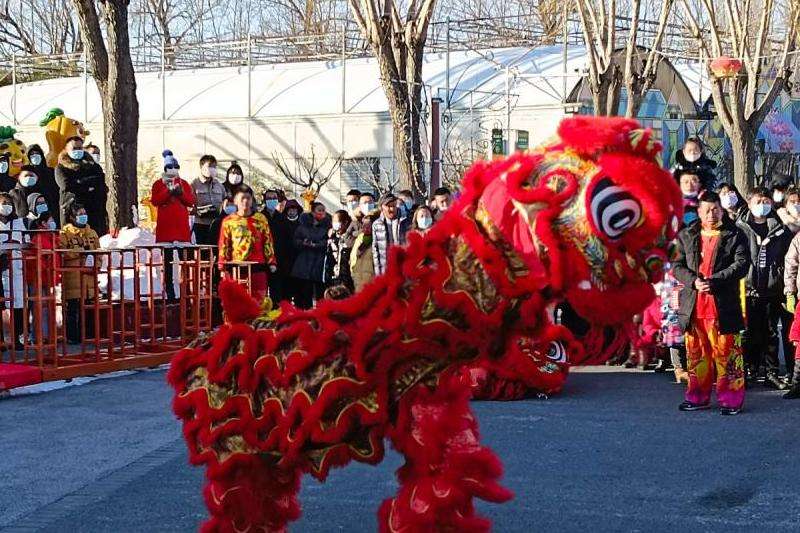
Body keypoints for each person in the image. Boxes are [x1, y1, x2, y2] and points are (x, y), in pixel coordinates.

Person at [672, 191, 748, 415]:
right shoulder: (687, 235)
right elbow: (677, 265)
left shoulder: (735, 234)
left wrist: (714, 281)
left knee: (728, 356)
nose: (711, 214)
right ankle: (697, 397)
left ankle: (731, 400)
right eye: (706, 210)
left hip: (723, 307)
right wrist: (693, 281)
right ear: (698, 212)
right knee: (696, 356)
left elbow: (741, 264)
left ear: (721, 210)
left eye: (715, 209)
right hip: (694, 307)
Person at [737, 187, 793, 389]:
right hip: (748, 289)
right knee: (748, 333)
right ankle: (747, 370)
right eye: (758, 202)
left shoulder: (780, 229)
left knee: (771, 332)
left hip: (771, 288)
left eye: (766, 201)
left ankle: (771, 372)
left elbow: (787, 258)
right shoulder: (740, 228)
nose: (763, 205)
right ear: (749, 203)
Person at [150, 150, 196, 301]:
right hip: (166, 229)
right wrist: (168, 191)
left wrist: (180, 192)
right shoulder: (158, 184)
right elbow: (155, 200)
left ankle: (186, 291)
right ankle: (169, 291)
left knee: (185, 262)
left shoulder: (184, 183)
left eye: (176, 166)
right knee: (167, 263)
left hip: (181, 230)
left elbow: (190, 201)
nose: (173, 169)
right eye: (170, 167)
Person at [218, 186, 277, 302]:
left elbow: (268, 241)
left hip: (258, 267)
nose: (245, 201)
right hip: (237, 267)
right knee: (238, 302)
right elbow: (224, 244)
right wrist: (222, 266)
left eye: (248, 198)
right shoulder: (228, 221)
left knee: (259, 302)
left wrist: (271, 261)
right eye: (242, 198)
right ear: (235, 201)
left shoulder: (261, 219)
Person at [59, 203, 100, 344]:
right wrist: (80, 252)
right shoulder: (65, 233)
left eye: (84, 213)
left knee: (89, 308)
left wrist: (96, 264)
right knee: (73, 308)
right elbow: (63, 253)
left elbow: (99, 252)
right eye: (79, 214)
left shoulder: (92, 233)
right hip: (73, 277)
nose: (83, 216)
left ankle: (88, 335)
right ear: (72, 217)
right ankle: (72, 337)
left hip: (89, 276)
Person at [55, 135, 108, 236]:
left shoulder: (92, 165)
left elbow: (100, 180)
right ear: (66, 149)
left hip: (93, 208)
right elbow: (66, 185)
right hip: (72, 208)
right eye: (74, 148)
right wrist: (89, 185)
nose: (77, 151)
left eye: (79, 148)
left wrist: (80, 182)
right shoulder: (61, 168)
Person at [291, 202, 330, 309]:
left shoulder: (328, 226)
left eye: (323, 210)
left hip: (320, 262)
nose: (321, 213)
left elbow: (328, 241)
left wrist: (317, 245)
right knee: (304, 292)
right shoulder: (302, 226)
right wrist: (303, 243)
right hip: (304, 263)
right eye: (319, 210)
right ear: (313, 212)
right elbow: (295, 241)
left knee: (320, 293)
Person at [0, 192, 25, 350]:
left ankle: (17, 339)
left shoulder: (18, 222)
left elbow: (25, 241)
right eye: (4, 203)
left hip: (16, 267)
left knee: (18, 304)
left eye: (9, 203)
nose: (7, 206)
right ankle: (1, 341)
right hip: (1, 267)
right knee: (1, 304)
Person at [270, 199, 302, 305]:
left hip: (299, 262)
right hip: (284, 262)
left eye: (294, 209)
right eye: (289, 210)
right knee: (285, 292)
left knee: (299, 292)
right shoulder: (280, 223)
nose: (292, 212)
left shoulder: (302, 224)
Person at [191, 155, 226, 245]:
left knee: (216, 250)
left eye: (214, 167)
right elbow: (189, 206)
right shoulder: (194, 184)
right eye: (209, 166)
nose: (212, 169)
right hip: (200, 225)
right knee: (202, 251)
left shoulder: (219, 185)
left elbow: (225, 201)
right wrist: (200, 211)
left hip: (217, 224)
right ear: (201, 167)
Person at [372, 193, 409, 276]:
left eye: (394, 206)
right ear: (382, 207)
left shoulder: (405, 221)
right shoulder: (377, 224)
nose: (392, 209)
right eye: (388, 206)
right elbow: (375, 249)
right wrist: (378, 273)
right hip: (385, 267)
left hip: (403, 267)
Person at [26, 144, 60, 226]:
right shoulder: (27, 174)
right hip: (35, 209)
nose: (35, 156)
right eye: (32, 154)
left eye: (37, 153)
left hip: (53, 208)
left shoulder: (50, 171)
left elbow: (56, 190)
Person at [326, 210, 354, 292]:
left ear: (345, 222)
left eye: (337, 221)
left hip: (347, 276)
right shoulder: (332, 237)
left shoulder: (350, 237)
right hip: (333, 276)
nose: (334, 224)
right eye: (333, 221)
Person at [350, 213, 375, 292]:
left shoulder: (377, 240)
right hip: (358, 279)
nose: (366, 228)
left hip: (371, 281)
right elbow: (353, 258)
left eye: (369, 226)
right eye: (364, 226)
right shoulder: (359, 239)